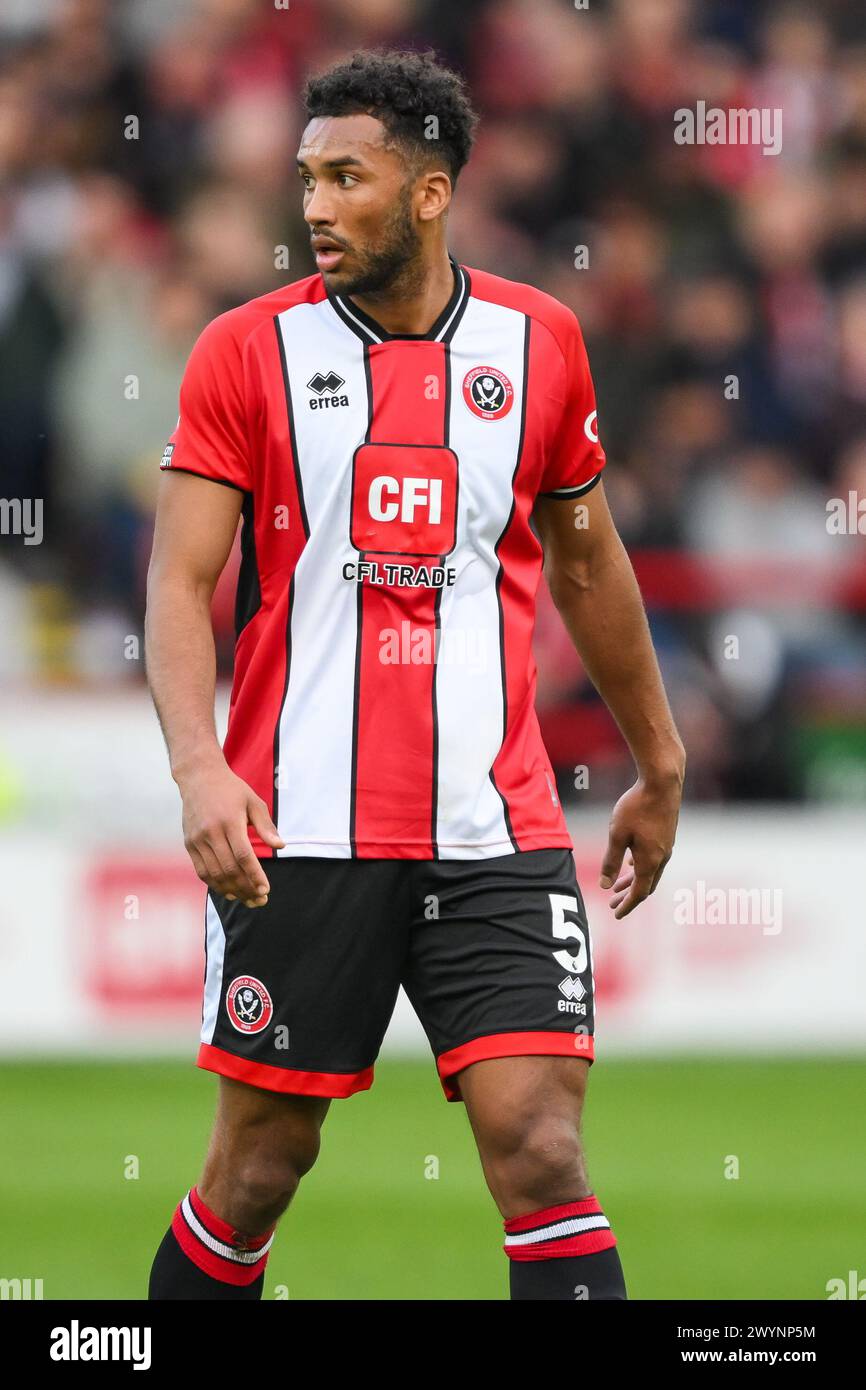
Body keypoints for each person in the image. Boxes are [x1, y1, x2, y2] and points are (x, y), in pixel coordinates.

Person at [144, 48, 685, 1302]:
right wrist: (197, 766)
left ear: (430, 191)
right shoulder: (243, 352)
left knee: (541, 1150)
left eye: (347, 177)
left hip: (492, 823)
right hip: (299, 826)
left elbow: (589, 569)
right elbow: (179, 585)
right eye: (305, 179)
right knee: (259, 1165)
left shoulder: (538, 344)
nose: (315, 207)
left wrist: (658, 762)